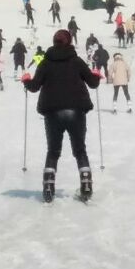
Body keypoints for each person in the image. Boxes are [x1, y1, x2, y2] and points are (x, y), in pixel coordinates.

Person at [22, 28, 101, 201]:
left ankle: (48, 188)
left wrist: (26, 80)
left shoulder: (45, 62)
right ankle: (86, 185)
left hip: (53, 112)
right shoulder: (77, 61)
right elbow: (93, 83)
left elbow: (34, 86)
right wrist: (96, 74)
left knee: (53, 151)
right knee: (80, 150)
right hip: (76, 110)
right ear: (70, 41)